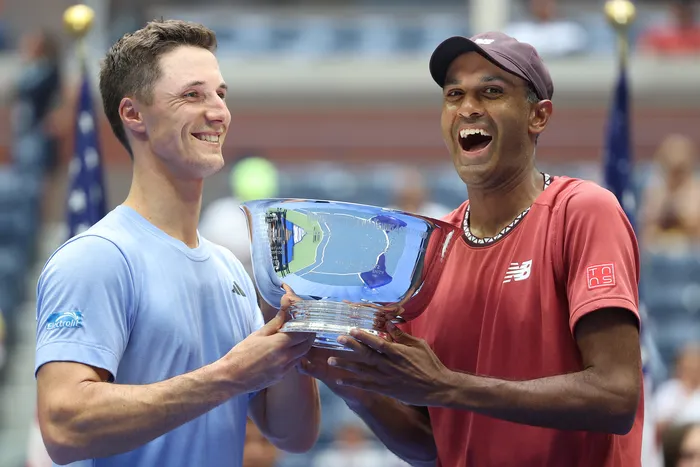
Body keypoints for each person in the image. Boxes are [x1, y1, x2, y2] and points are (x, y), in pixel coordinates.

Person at [297, 31, 643, 466]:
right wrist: (352, 383)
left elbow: (615, 396)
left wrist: (446, 386)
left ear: (538, 116)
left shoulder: (582, 211)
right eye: (453, 94)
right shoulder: (428, 247)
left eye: (492, 91)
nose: (467, 108)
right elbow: (431, 443)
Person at [34, 20, 320, 467]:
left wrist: (295, 333)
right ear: (134, 115)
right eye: (193, 95)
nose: (219, 112)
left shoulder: (233, 271)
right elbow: (63, 428)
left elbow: (293, 434)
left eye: (221, 94)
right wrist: (229, 376)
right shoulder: (96, 258)